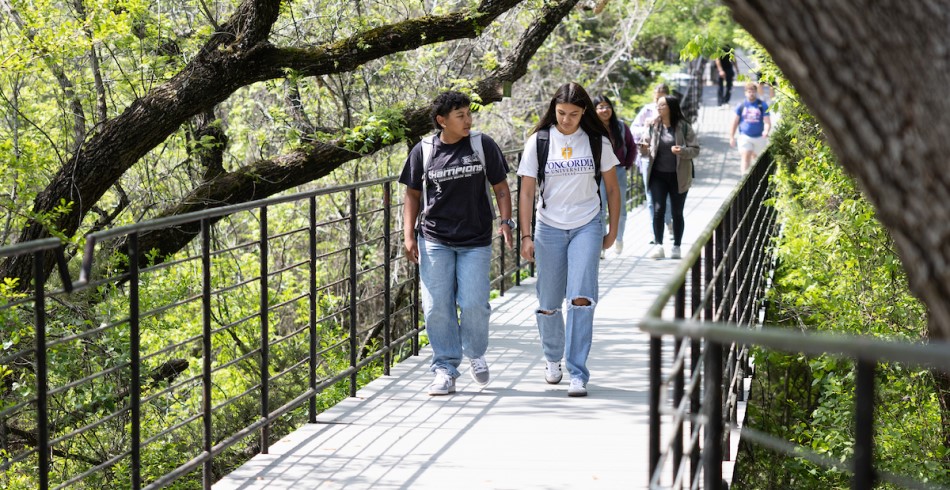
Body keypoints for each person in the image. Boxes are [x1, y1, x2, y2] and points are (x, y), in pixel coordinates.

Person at [400, 91, 514, 396]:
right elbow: (412, 194)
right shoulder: (423, 151)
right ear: (442, 121)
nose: (468, 119)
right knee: (437, 306)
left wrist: (506, 222)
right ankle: (445, 369)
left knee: (474, 304)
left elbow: (501, 186)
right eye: (460, 115)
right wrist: (408, 234)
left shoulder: (482, 144)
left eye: (468, 113)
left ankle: (475, 352)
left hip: (475, 238)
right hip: (434, 238)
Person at [517, 82, 621, 397]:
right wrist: (525, 234)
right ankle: (552, 358)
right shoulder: (539, 142)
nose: (566, 120)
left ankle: (578, 372)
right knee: (548, 302)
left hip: (587, 224)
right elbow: (526, 190)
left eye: (573, 114)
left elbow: (613, 189)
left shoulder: (596, 142)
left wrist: (612, 230)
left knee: (581, 298)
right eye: (561, 113)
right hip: (548, 227)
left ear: (584, 112)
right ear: (554, 110)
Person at [641, 95, 700, 260]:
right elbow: (644, 146)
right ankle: (658, 245)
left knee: (677, 212)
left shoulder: (684, 126)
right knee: (658, 210)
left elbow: (695, 149)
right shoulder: (653, 125)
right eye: (658, 105)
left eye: (662, 105)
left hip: (679, 176)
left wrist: (682, 151)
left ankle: (676, 246)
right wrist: (643, 148)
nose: (658, 108)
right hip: (657, 175)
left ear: (670, 107)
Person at [593, 94, 635, 257]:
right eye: (600, 107)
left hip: (618, 171)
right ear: (594, 110)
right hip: (599, 173)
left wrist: (627, 165)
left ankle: (618, 238)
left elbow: (631, 147)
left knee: (621, 208)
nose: (605, 110)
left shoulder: (621, 127)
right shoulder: (591, 129)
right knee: (600, 209)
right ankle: (602, 245)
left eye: (607, 106)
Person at [631, 84, 673, 240]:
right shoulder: (647, 111)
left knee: (666, 197)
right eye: (656, 95)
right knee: (650, 198)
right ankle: (654, 230)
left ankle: (668, 222)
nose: (657, 98)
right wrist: (646, 126)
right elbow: (632, 129)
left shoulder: (673, 112)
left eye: (661, 96)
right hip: (648, 158)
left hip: (667, 159)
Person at [729, 81, 772, 174]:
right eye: (749, 92)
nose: (751, 94)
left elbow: (767, 122)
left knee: (756, 159)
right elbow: (735, 122)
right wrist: (732, 137)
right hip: (745, 136)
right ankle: (744, 177)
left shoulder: (762, 105)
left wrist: (766, 130)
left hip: (759, 137)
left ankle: (755, 178)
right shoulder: (741, 106)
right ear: (745, 93)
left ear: (756, 92)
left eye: (753, 91)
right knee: (746, 155)